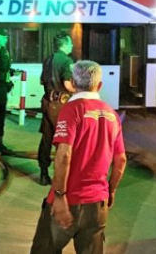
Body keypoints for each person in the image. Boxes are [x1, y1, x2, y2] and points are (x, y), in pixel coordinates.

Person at [29, 61, 127, 254]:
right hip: (97, 206)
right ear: (99, 85)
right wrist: (111, 190)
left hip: (69, 201)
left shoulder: (72, 109)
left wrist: (59, 196)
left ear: (73, 83)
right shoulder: (112, 115)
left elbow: (64, 155)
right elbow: (121, 160)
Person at [37, 32, 75, 186]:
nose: (72, 45)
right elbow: (67, 84)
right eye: (70, 43)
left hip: (46, 102)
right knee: (63, 140)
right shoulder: (66, 61)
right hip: (60, 105)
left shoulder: (47, 59)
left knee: (46, 138)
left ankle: (43, 173)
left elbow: (42, 80)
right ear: (64, 45)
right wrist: (79, 89)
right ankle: (62, 177)